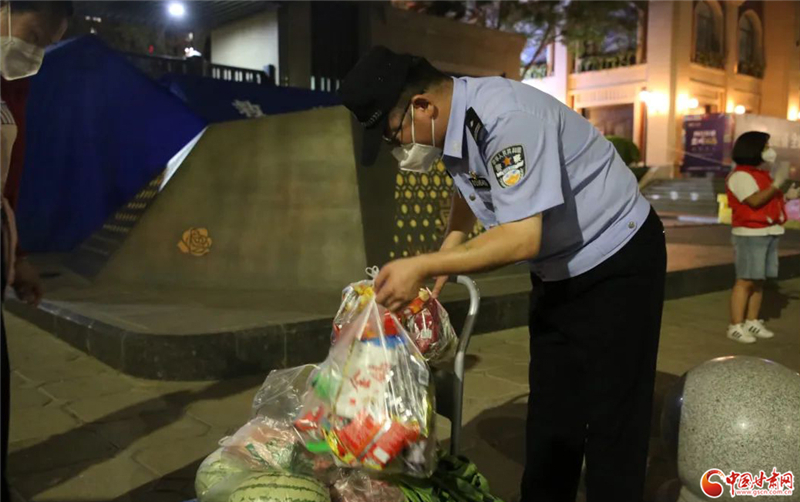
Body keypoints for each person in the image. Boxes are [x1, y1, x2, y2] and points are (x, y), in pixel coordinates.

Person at [339, 46, 666, 502]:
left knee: (614, 414)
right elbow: (470, 186)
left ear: (422, 106)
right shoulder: (451, 125)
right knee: (553, 409)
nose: (399, 149)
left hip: (617, 255)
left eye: (395, 135)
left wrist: (424, 264)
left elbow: (521, 239)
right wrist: (449, 249)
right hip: (557, 269)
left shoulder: (507, 120)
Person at [1, 1, 71, 498]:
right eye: (34, 36)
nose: (35, 52)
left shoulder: (13, 85)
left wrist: (17, 255)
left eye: (46, 45)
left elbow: (11, 169)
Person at [725, 131, 799, 343]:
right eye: (766, 147)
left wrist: (786, 197)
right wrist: (777, 184)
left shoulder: (760, 174)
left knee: (759, 280)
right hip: (750, 234)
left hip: (768, 232)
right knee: (745, 280)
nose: (769, 150)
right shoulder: (741, 176)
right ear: (753, 149)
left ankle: (752, 321)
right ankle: (736, 325)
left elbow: (767, 202)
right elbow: (754, 201)